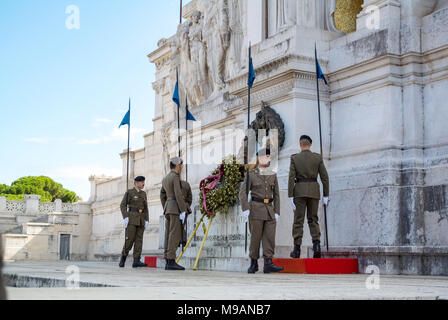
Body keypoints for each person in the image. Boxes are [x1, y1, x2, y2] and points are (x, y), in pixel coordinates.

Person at [239, 148, 284, 274]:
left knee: (270, 237)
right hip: (255, 209)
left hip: (269, 210)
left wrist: (277, 211)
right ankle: (253, 263)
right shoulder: (251, 174)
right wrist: (246, 208)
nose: (269, 159)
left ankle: (268, 263)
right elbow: (243, 192)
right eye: (267, 157)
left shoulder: (272, 174)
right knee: (255, 238)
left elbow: (277, 194)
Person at [288, 135, 329, 259]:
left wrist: (290, 194)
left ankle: (297, 249)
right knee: (313, 219)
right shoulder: (317, 157)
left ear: (300, 145)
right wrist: (326, 194)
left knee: (298, 221)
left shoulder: (295, 158)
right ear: (310, 145)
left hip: (299, 192)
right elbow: (324, 177)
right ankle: (316, 245)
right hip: (314, 191)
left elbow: (291, 177)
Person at [161, 157, 188, 270]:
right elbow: (178, 194)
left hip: (168, 207)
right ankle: (171, 261)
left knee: (168, 234)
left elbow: (162, 195)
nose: (182, 166)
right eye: (181, 164)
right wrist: (183, 210)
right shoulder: (175, 176)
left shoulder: (166, 178)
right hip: (175, 207)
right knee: (174, 234)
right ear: (177, 165)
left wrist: (166, 206)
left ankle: (168, 260)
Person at [119, 176, 149, 268]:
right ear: (136, 183)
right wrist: (125, 217)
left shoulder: (144, 194)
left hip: (141, 219)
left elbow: (146, 208)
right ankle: (123, 258)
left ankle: (136, 260)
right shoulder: (129, 192)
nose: (143, 184)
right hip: (132, 219)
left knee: (139, 241)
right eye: (142, 182)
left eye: (144, 182)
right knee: (130, 239)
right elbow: (122, 205)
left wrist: (147, 219)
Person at [160, 179, 192, 251]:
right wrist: (185, 207)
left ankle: (171, 249)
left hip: (171, 208)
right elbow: (189, 199)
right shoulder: (186, 184)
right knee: (179, 227)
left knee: (171, 230)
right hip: (181, 207)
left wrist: (167, 207)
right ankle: (181, 241)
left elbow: (162, 196)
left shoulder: (167, 182)